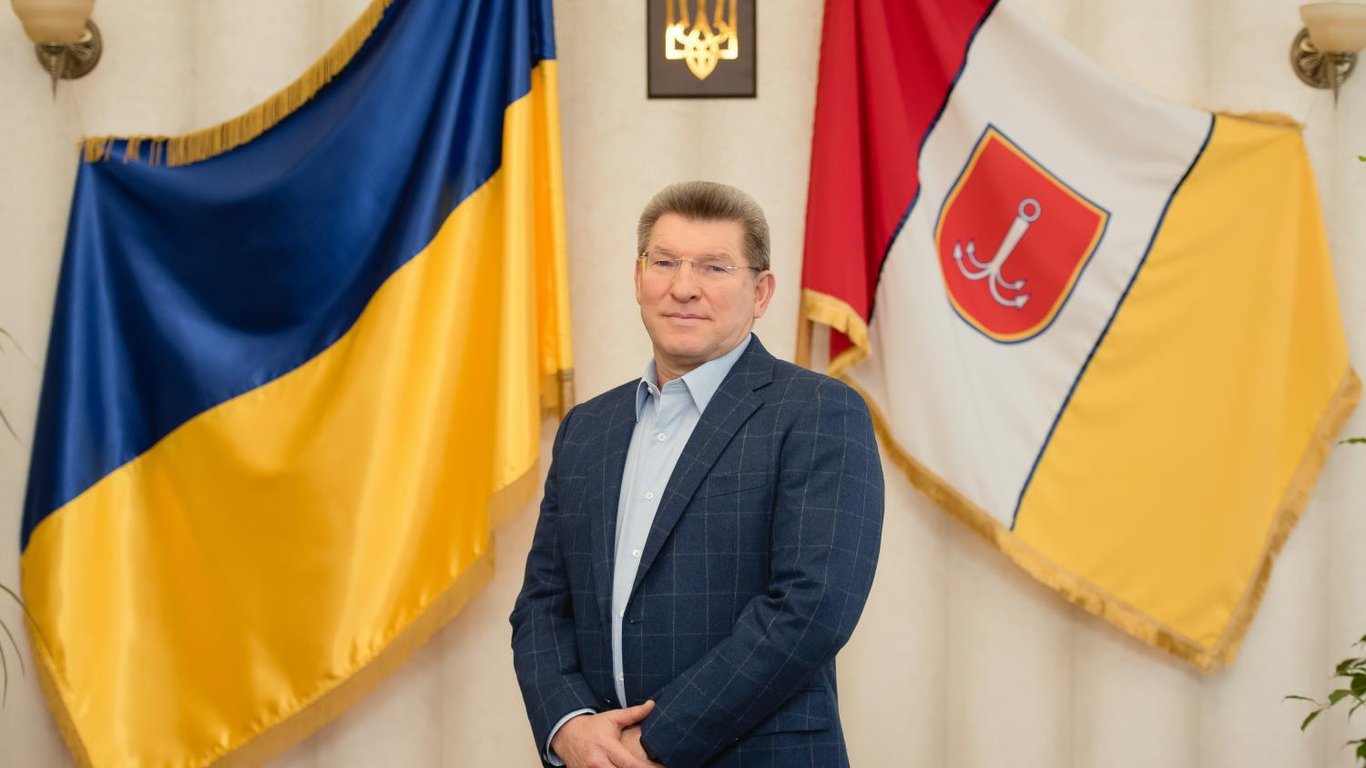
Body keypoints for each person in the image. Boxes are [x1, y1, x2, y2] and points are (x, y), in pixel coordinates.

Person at [510, 181, 884, 768]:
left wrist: (651, 742)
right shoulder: (587, 428)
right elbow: (542, 604)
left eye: (714, 267)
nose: (683, 287)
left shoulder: (819, 412)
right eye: (664, 263)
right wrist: (570, 727)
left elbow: (811, 607)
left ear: (761, 292)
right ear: (638, 278)